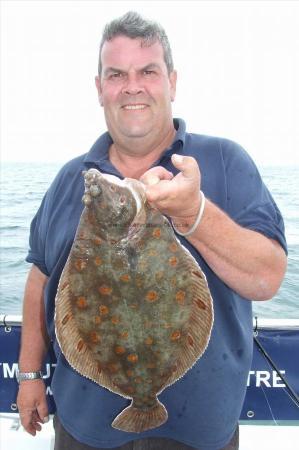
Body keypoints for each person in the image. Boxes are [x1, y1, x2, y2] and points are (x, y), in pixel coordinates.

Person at [17, 11, 287, 450]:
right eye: (116, 74)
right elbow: (41, 278)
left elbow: (268, 278)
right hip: (83, 429)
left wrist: (195, 214)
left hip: (201, 434)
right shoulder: (70, 179)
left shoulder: (224, 161)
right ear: (100, 88)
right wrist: (30, 374)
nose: (132, 86)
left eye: (148, 71)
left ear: (172, 82)